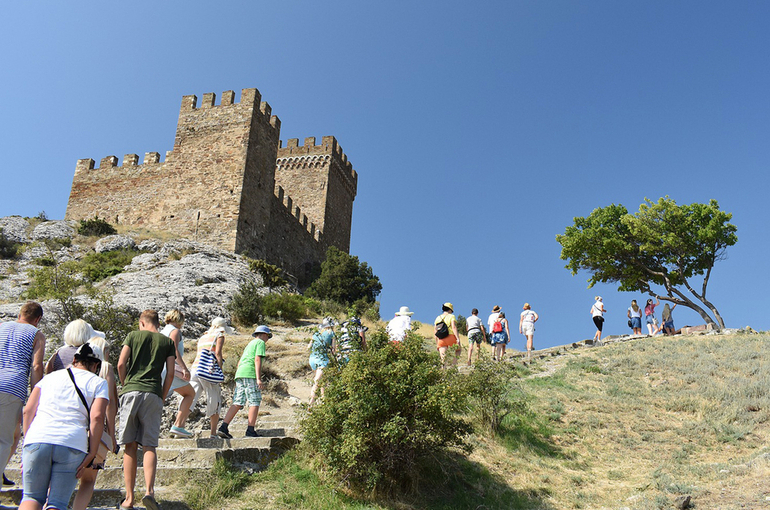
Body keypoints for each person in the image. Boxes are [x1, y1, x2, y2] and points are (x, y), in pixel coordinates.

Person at [20, 343, 108, 510]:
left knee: (31, 497)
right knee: (57, 503)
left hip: (38, 438)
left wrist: (27, 443)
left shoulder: (49, 378)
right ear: (96, 365)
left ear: (74, 360)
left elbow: (28, 411)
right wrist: (92, 452)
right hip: (72, 442)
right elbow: (97, 418)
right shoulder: (99, 383)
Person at [116, 310, 176, 510]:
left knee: (130, 446)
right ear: (157, 323)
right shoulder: (167, 342)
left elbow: (121, 363)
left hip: (131, 390)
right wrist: (162, 395)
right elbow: (170, 373)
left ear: (142, 322)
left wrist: (125, 384)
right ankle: (149, 492)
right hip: (153, 393)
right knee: (149, 445)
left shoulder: (133, 336)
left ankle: (129, 498)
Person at [71, 335, 119, 510]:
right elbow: (109, 405)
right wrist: (111, 434)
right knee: (88, 480)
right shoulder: (106, 368)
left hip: (72, 426)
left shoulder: (70, 370)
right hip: (95, 431)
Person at [0, 301, 46, 480]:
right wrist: (36, 395)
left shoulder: (2, 327)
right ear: (37, 319)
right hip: (12, 386)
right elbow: (36, 367)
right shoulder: (36, 334)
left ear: (20, 314)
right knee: (4, 440)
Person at [218, 325, 272, 439]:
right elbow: (257, 359)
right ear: (264, 334)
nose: (268, 339)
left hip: (240, 373)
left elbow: (240, 362)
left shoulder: (250, 344)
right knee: (254, 400)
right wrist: (258, 378)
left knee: (238, 401)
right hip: (250, 373)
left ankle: (223, 427)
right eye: (268, 336)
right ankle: (250, 430)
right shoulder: (260, 343)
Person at [189, 317, 232, 439]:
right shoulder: (219, 336)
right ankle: (213, 433)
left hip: (195, 368)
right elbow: (217, 353)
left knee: (191, 398)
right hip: (208, 371)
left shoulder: (203, 337)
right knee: (215, 400)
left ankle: (178, 426)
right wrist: (220, 370)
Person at [160, 310, 196, 439]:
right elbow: (174, 351)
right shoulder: (175, 331)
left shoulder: (162, 331)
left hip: (161, 368)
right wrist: (184, 369)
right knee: (190, 394)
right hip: (170, 369)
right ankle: (178, 426)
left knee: (160, 398)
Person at [308, 318, 335, 406]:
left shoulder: (316, 333)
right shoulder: (331, 333)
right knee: (317, 381)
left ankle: (324, 400)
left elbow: (309, 347)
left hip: (312, 359)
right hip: (322, 359)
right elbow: (334, 350)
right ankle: (311, 403)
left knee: (323, 380)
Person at [434, 303, 461, 368]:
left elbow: (435, 331)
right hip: (450, 337)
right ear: (450, 310)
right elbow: (453, 327)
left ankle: (443, 370)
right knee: (458, 350)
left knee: (443, 358)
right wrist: (457, 338)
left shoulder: (438, 318)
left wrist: (437, 342)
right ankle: (453, 365)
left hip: (441, 338)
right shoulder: (451, 316)